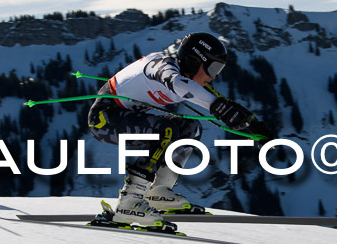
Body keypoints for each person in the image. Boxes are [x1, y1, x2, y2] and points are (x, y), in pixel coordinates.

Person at [88, 32, 272, 231]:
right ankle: (129, 202)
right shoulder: (160, 66)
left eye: (219, 69)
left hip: (124, 117)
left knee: (190, 128)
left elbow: (223, 105)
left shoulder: (188, 77)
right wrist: (219, 107)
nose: (214, 76)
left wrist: (255, 127)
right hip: (103, 119)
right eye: (213, 68)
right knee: (165, 130)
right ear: (194, 62)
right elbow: (177, 83)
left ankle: (159, 191)